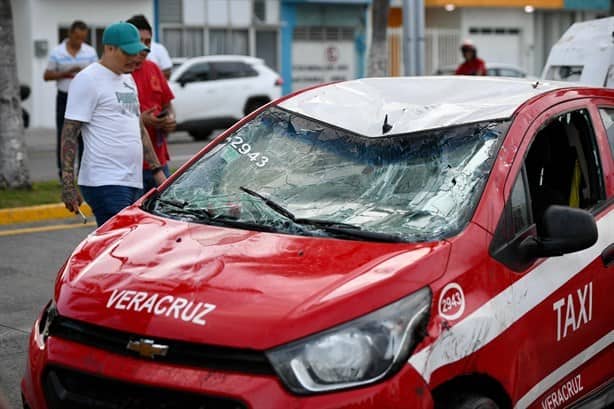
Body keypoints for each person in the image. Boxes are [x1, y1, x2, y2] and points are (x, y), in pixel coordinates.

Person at [60, 22, 167, 226]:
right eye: (128, 53)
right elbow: (69, 133)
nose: (134, 58)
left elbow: (138, 127)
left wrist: (157, 171)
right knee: (121, 245)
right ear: (109, 48)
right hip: (105, 181)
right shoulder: (88, 79)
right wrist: (68, 185)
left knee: (127, 247)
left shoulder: (127, 79)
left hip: (132, 180)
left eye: (137, 52)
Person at [127, 15, 176, 193]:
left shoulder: (154, 68)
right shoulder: (121, 74)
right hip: (132, 167)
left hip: (160, 162)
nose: (144, 47)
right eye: (140, 41)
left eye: (148, 41)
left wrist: (170, 119)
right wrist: (142, 120)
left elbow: (168, 104)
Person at [44, 20, 98, 180]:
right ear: (70, 34)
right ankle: (64, 175)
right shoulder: (57, 52)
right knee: (64, 135)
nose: (80, 42)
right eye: (77, 38)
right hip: (64, 97)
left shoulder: (90, 52)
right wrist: (66, 72)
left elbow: (96, 74)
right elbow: (47, 75)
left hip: (84, 98)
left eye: (83, 38)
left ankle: (83, 173)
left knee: (84, 136)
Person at [127, 14, 173, 80]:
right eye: (138, 42)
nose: (144, 48)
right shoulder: (117, 74)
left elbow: (167, 71)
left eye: (147, 42)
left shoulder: (153, 69)